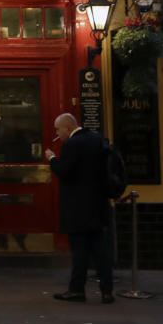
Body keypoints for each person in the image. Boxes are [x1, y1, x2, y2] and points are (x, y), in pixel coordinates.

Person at [45, 113, 114, 304]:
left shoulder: (72, 144)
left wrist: (52, 159)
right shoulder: (96, 139)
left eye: (58, 129)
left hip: (77, 208)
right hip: (97, 206)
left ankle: (77, 290)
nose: (57, 133)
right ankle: (107, 291)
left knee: (80, 252)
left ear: (67, 128)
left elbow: (64, 172)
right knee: (101, 252)